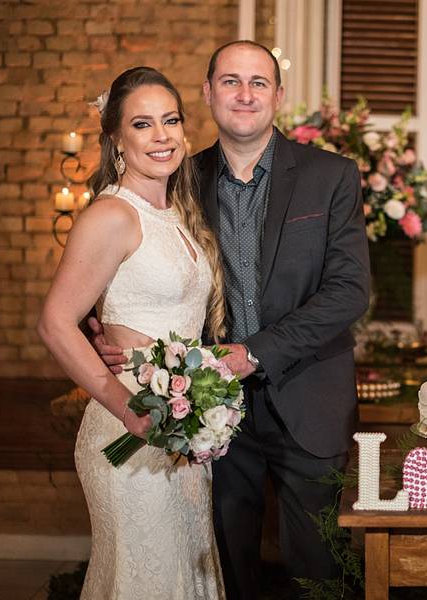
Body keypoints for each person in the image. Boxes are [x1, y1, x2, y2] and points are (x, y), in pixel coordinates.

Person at [93, 41, 371, 599]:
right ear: (208, 92)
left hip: (309, 397)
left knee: (318, 569)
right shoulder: (179, 178)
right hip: (208, 410)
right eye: (230, 82)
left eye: (258, 83)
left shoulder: (331, 176)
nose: (245, 95)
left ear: (278, 95)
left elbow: (349, 290)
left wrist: (255, 351)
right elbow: (112, 253)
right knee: (224, 566)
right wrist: (101, 327)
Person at [38, 67, 226, 599]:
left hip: (177, 431)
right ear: (116, 139)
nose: (162, 135)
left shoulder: (174, 215)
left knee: (182, 577)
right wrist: (128, 406)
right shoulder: (112, 215)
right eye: (143, 124)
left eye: (171, 120)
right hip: (128, 433)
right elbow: (55, 323)